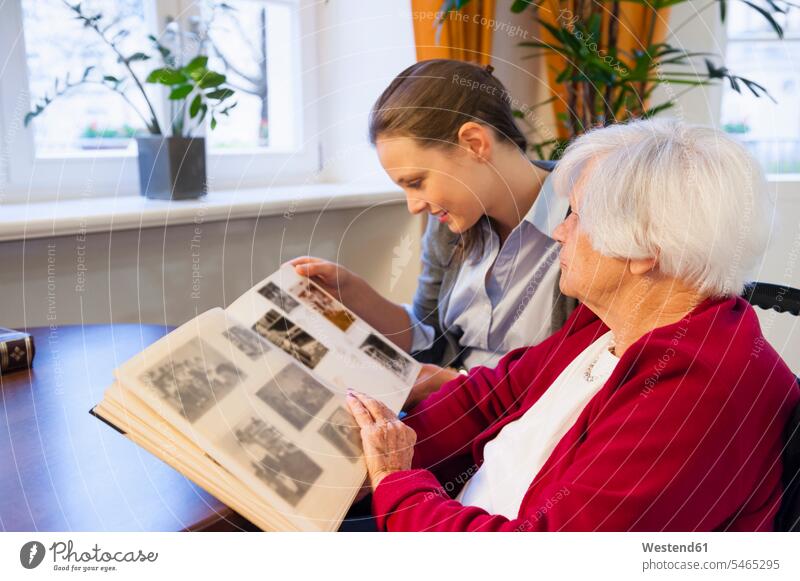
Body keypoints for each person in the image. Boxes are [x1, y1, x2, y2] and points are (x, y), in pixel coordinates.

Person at [344, 118, 800, 531]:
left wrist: (395, 482)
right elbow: (489, 398)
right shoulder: (610, 322)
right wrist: (361, 460)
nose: (560, 232)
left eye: (578, 216)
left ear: (645, 250)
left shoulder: (695, 390)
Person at [291, 59, 577, 410]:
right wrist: (352, 293)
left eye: (416, 182)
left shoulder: (587, 219)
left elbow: (590, 375)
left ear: (474, 143)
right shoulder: (450, 230)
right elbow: (434, 342)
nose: (413, 206)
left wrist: (459, 386)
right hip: (455, 416)